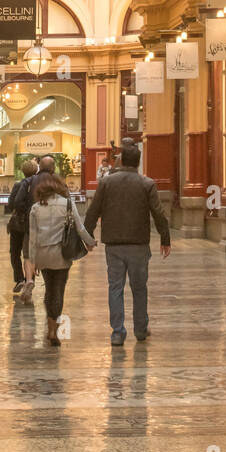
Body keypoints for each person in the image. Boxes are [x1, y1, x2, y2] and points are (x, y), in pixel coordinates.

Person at [84, 142, 171, 346]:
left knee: (115, 287)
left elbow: (93, 210)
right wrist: (165, 238)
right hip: (139, 244)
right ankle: (140, 329)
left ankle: (117, 332)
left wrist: (87, 237)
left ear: (121, 160)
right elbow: (158, 213)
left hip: (113, 244)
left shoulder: (106, 183)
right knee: (139, 287)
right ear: (139, 162)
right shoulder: (147, 183)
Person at [26, 171, 95, 346]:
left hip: (42, 255)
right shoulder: (67, 204)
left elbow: (33, 238)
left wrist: (33, 261)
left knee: (49, 288)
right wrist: (90, 242)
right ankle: (53, 330)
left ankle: (50, 326)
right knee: (58, 290)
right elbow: (80, 228)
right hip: (61, 254)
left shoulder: (35, 208)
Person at [20, 154, 56, 303]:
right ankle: (50, 286)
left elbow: (17, 201)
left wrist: (26, 213)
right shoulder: (56, 181)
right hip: (52, 225)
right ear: (53, 168)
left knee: (28, 254)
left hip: (32, 222)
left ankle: (29, 279)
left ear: (39, 167)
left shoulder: (30, 181)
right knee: (50, 252)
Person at [5, 158, 38, 295]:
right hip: (33, 224)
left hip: (18, 224)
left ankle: (20, 279)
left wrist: (21, 211)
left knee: (14, 252)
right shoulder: (39, 185)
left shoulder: (19, 185)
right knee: (30, 253)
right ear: (36, 170)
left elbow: (12, 203)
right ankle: (29, 279)